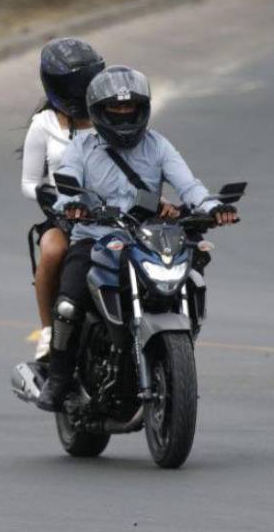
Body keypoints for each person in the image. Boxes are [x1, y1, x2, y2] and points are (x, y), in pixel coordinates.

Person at [36, 65, 239, 412]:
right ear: (98, 113)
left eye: (129, 109)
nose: (123, 115)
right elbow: (66, 181)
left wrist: (214, 208)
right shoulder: (82, 148)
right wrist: (70, 205)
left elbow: (189, 187)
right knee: (69, 304)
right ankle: (58, 379)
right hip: (94, 239)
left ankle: (169, 355)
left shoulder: (159, 146)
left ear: (142, 109)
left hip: (145, 239)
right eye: (115, 109)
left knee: (190, 274)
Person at [20, 37, 105, 363]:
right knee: (53, 251)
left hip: (112, 212)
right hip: (65, 215)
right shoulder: (43, 125)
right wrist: (48, 197)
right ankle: (48, 331)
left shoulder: (109, 115)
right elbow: (29, 182)